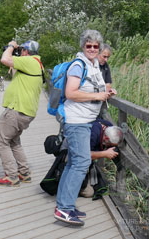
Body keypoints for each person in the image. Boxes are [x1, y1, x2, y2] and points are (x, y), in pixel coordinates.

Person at [54, 29, 115, 226]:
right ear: (83, 46)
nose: (92, 49)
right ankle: (64, 208)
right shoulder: (78, 65)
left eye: (95, 46)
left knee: (73, 163)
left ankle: (64, 206)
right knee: (81, 163)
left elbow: (96, 87)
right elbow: (71, 92)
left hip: (85, 121)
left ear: (99, 49)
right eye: (88, 45)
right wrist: (98, 97)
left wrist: (107, 91)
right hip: (76, 122)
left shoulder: (94, 64)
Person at [0, 40, 43, 187]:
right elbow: (15, 71)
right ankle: (24, 173)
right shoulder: (37, 64)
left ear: (25, 52)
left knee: (1, 141)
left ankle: (11, 176)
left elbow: (4, 59)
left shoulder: (29, 61)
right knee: (14, 141)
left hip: (17, 110)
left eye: (21, 50)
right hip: (26, 111)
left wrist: (10, 46)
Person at [80, 120, 124, 198]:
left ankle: (85, 179)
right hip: (75, 158)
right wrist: (105, 153)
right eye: (110, 145)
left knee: (99, 186)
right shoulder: (93, 135)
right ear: (106, 138)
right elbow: (83, 156)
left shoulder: (109, 127)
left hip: (88, 162)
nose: (109, 146)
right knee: (89, 193)